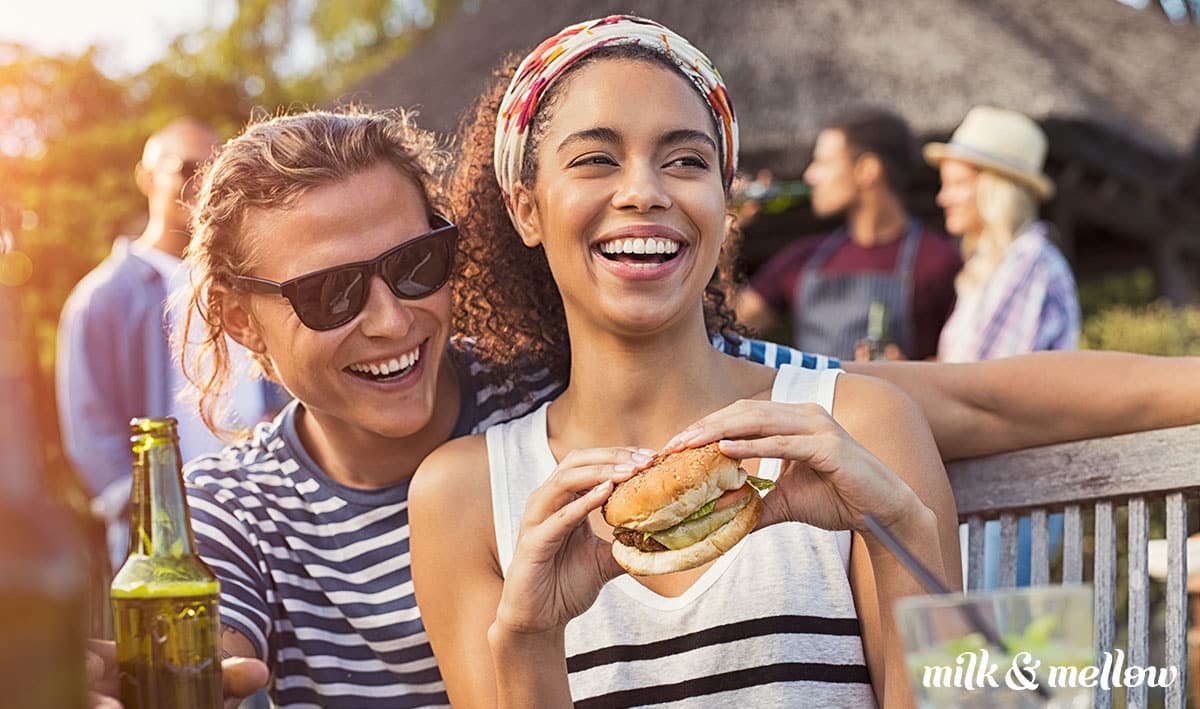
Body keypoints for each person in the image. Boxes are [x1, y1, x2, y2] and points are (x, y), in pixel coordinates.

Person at [82, 104, 1200, 706]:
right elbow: (196, 652)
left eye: (419, 265)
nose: (392, 320)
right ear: (236, 323)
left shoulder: (568, 395)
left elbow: (986, 406)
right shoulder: (240, 512)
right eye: (331, 294)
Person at [408, 17, 959, 707]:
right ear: (526, 208)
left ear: (724, 204)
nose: (646, 191)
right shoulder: (461, 498)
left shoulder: (861, 427)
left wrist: (902, 532)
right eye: (596, 160)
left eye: (686, 161)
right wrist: (529, 639)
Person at [55, 118, 286, 564]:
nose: (202, 182)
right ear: (146, 177)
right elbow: (89, 428)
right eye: (186, 167)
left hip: (263, 517)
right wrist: (149, 508)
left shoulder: (248, 282)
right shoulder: (103, 298)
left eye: (215, 168)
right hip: (166, 539)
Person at [737, 110, 961, 360]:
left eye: (822, 162)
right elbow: (725, 325)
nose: (810, 176)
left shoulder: (939, 261)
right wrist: (726, 231)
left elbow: (960, 364)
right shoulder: (803, 258)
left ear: (867, 169)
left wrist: (908, 371)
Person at [925, 105, 1081, 362]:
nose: (943, 198)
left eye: (958, 184)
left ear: (996, 190)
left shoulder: (1028, 261)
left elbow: (979, 383)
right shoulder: (990, 265)